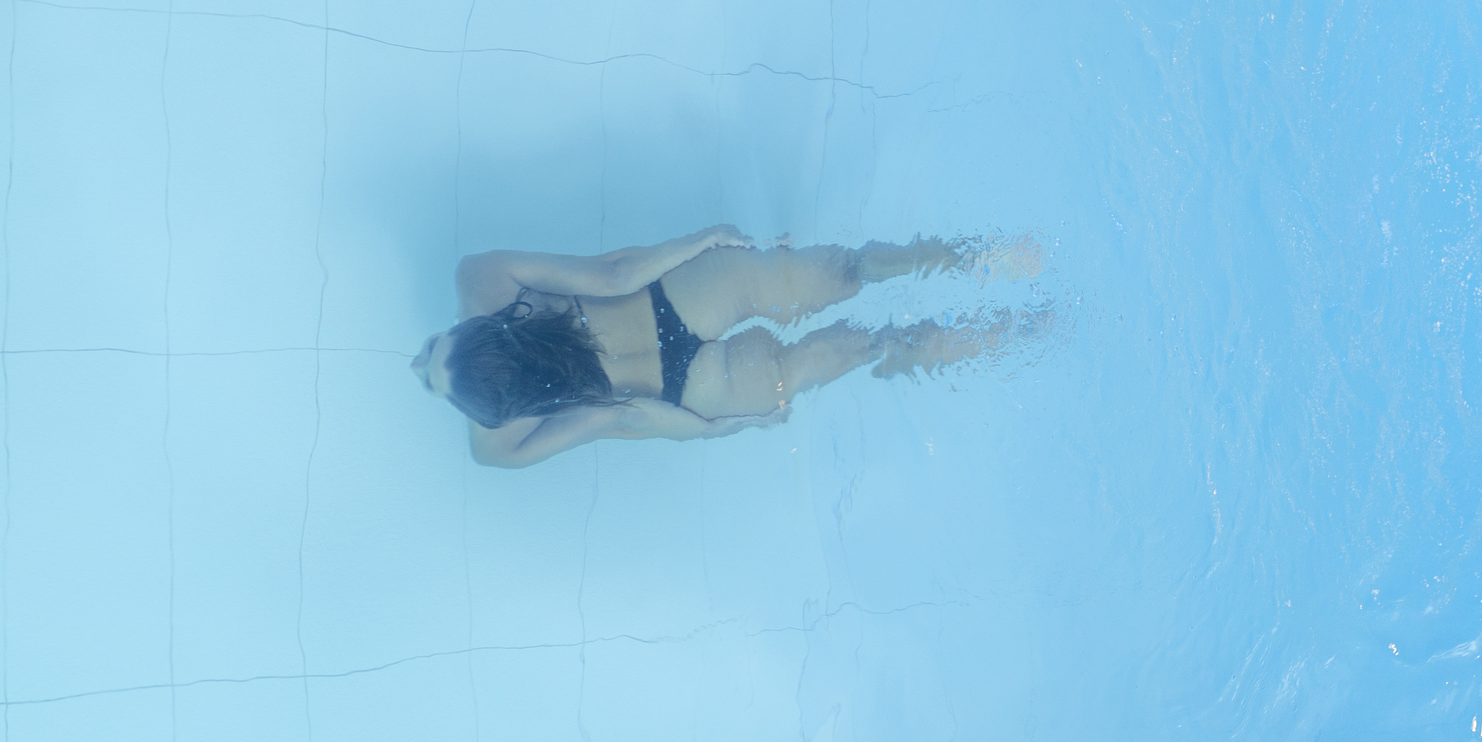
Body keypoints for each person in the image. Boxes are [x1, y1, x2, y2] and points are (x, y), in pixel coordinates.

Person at [411, 225, 1042, 468]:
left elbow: (620, 417)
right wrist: (700, 240)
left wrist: (713, 430)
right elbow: (614, 275)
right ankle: (983, 258)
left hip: (687, 390)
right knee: (850, 270)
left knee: (870, 347)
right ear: (483, 328)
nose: (419, 358)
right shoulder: (483, 279)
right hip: (681, 298)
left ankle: (1021, 333)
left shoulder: (497, 441)